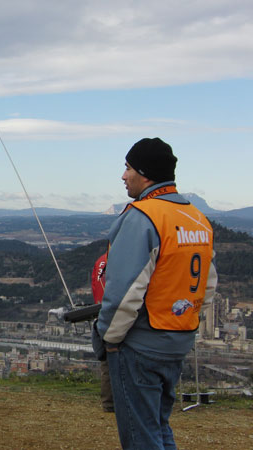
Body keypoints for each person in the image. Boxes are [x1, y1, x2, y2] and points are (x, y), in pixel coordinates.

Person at [92, 138, 217, 449]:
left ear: (145, 174)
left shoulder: (142, 217)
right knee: (158, 429)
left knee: (141, 436)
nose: (123, 176)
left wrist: (108, 338)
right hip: (177, 339)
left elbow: (124, 291)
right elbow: (208, 284)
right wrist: (185, 321)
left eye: (128, 168)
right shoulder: (197, 218)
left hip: (141, 343)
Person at [91, 252, 113, 413]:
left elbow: (95, 285)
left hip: (102, 316)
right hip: (120, 314)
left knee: (107, 363)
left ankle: (109, 403)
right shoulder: (129, 256)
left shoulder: (101, 261)